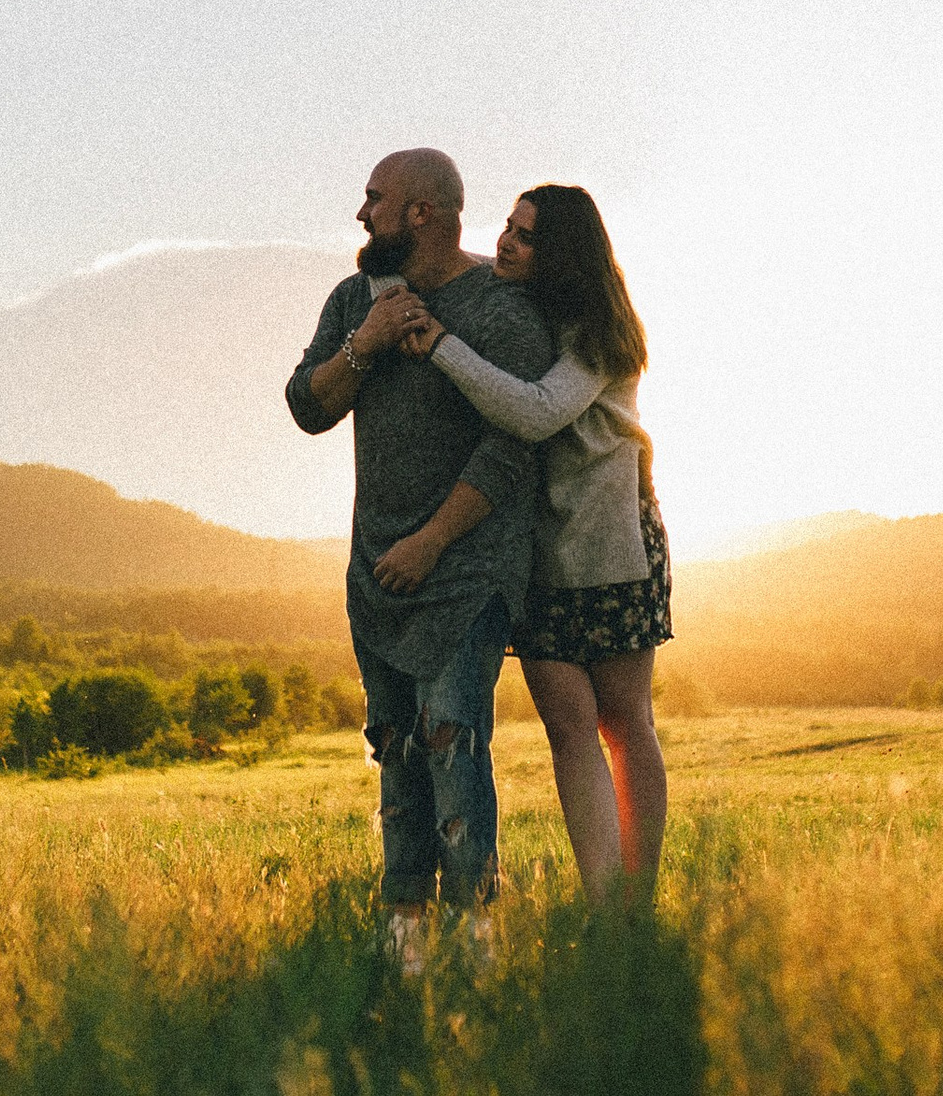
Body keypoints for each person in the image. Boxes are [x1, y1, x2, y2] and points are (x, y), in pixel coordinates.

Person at [286, 148, 552, 972]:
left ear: (421, 214)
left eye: (375, 199)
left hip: (466, 569)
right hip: (376, 574)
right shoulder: (352, 300)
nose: (360, 213)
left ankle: (479, 951)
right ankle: (408, 955)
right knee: (395, 749)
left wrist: (432, 542)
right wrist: (364, 345)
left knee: (451, 740)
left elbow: (514, 451)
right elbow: (306, 407)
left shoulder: (500, 307)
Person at [399, 184, 671, 903]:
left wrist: (443, 347)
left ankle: (636, 903)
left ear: (562, 255)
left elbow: (536, 412)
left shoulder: (597, 331)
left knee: (624, 721)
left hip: (612, 549)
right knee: (570, 730)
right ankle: (603, 901)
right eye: (509, 228)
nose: (507, 242)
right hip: (542, 559)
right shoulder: (516, 309)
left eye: (526, 236)